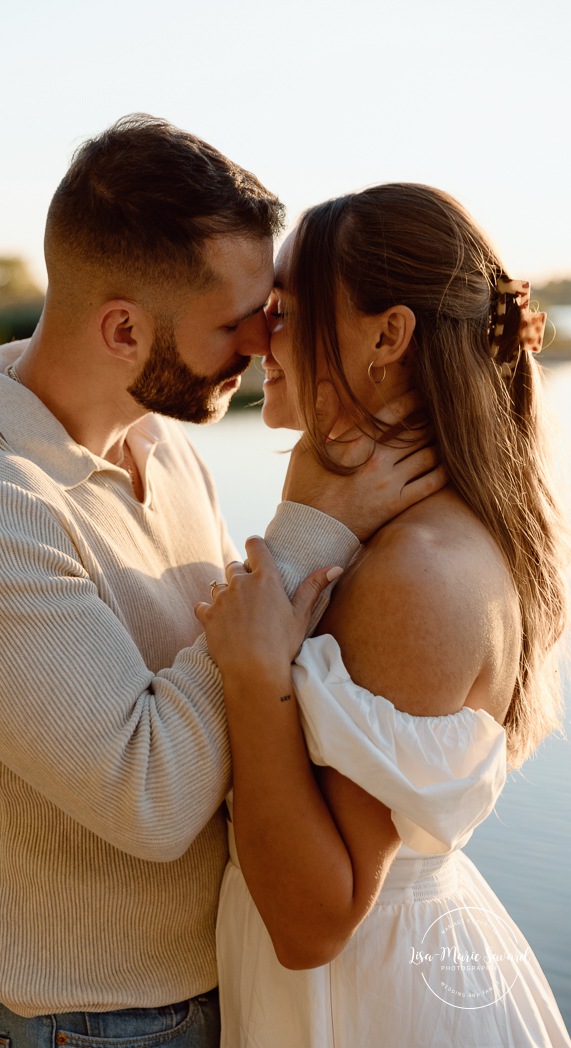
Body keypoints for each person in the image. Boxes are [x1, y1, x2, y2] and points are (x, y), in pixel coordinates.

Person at [0, 120, 441, 1047]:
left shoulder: (164, 444)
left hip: (216, 981)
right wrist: (308, 528)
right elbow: (155, 798)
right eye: (236, 320)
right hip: (82, 1022)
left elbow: (248, 665)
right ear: (124, 327)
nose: (267, 342)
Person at [196, 184, 571, 1047]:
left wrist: (256, 680)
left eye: (285, 310)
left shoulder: (418, 571)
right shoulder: (402, 532)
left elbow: (314, 925)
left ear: (388, 335)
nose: (258, 334)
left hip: (372, 1002)